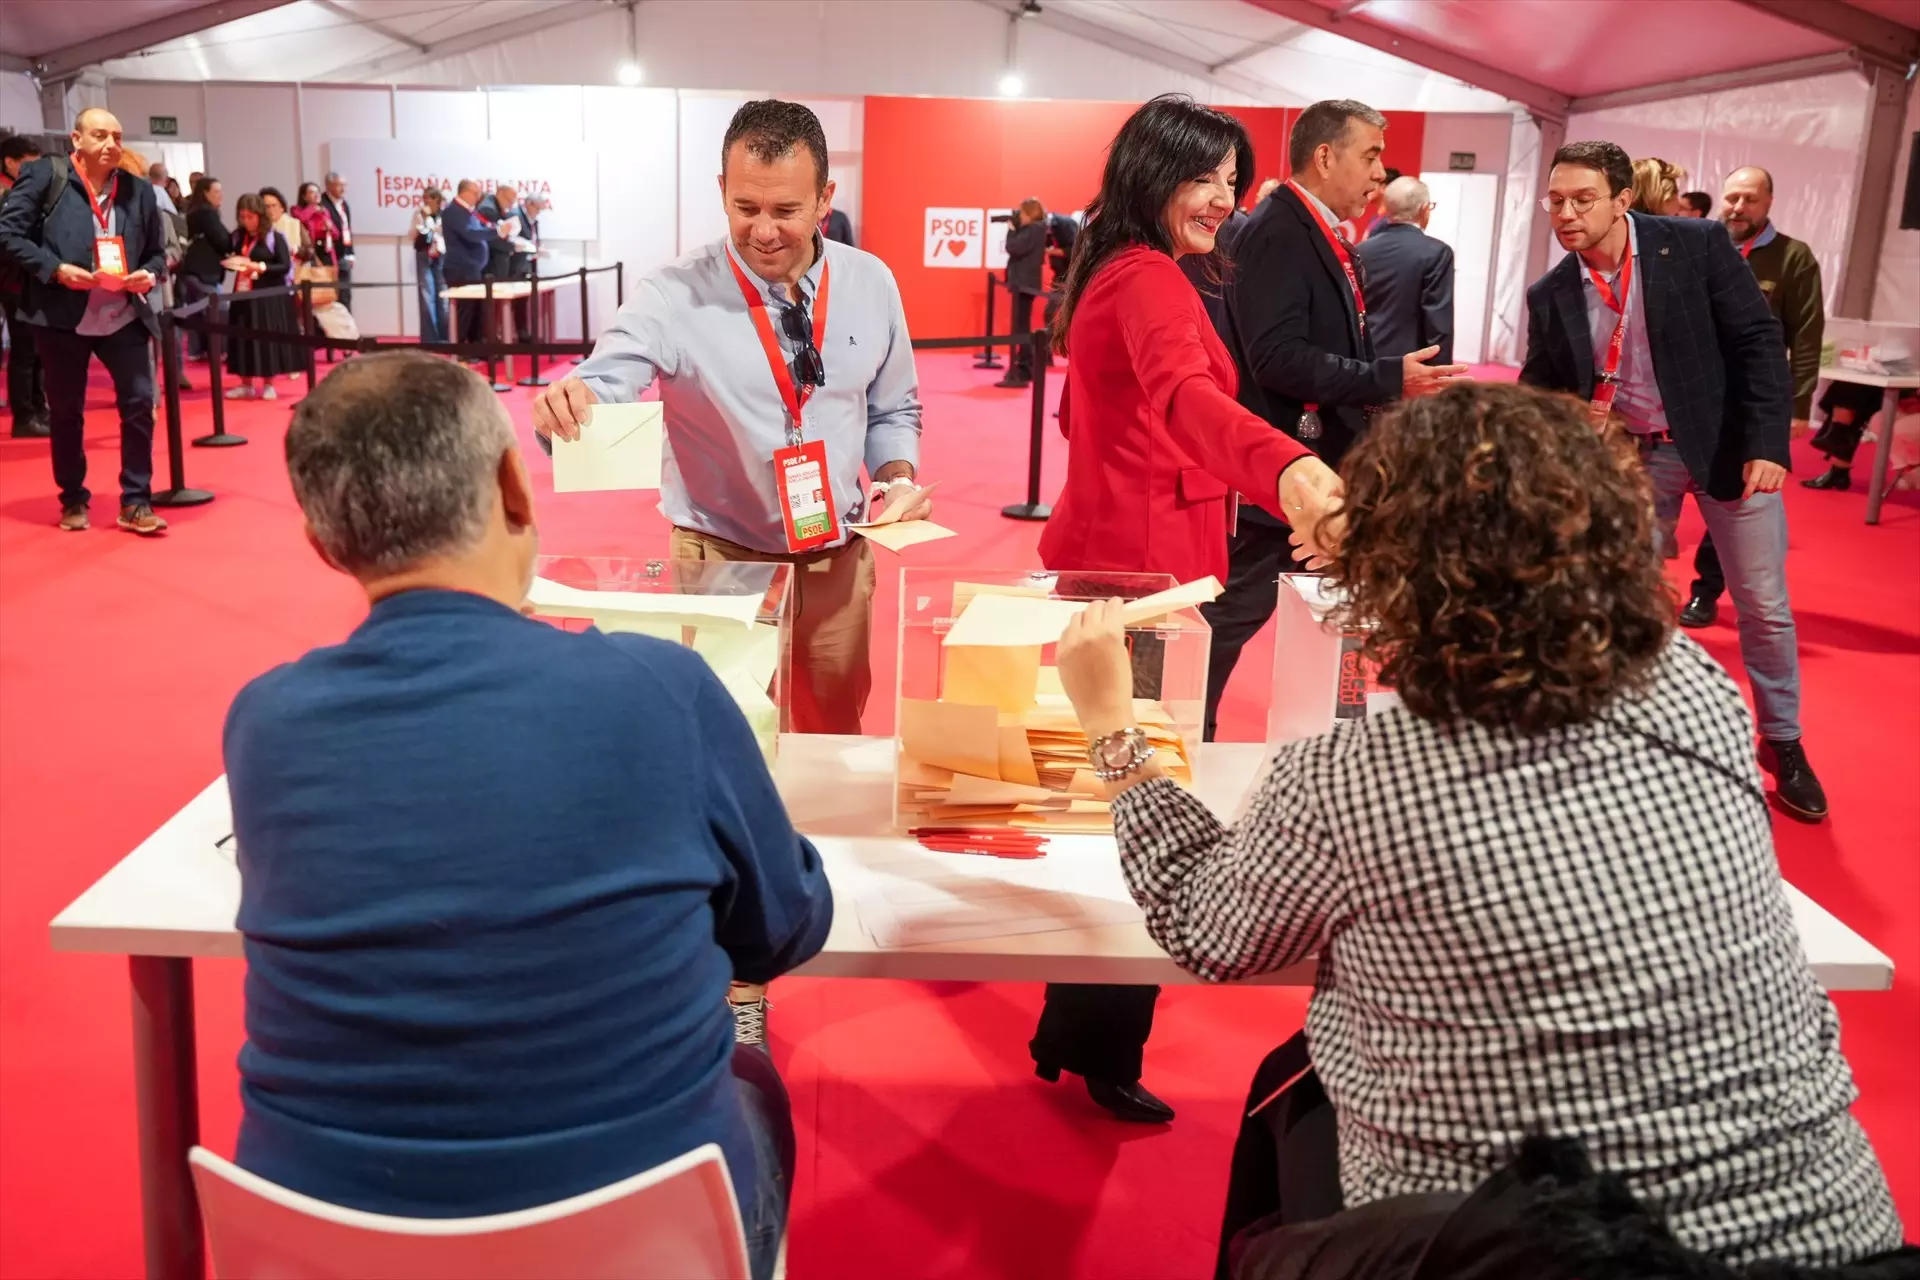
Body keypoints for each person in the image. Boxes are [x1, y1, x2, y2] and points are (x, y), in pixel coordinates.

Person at [1051, 381, 1903, 1274]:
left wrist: (1116, 728)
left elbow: (1208, 929)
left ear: (1394, 562)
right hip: (1832, 1234)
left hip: (1519, 1251)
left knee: (1292, 1104)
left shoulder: (1362, 776)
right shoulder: (1692, 687)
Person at [226, 351, 828, 1280]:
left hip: (319, 1245)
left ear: (322, 541)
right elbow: (782, 932)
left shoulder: (264, 723)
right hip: (645, 1243)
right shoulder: (655, 687)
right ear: (517, 483)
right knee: (753, 1087)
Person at [532, 100, 929, 1044]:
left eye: (786, 210)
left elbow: (894, 405)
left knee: (832, 734)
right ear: (721, 191)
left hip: (837, 550)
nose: (764, 230)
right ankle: (735, 972)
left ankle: (817, 901)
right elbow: (614, 372)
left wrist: (902, 473)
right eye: (745, 206)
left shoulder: (871, 286)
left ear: (827, 196)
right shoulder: (674, 295)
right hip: (718, 561)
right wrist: (578, 395)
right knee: (721, 753)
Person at [1029, 94, 1344, 1128]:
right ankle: (1099, 1042)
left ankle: (1073, 1035)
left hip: (1125, 569)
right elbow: (1182, 404)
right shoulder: (1152, 279)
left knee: (1112, 804)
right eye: (1202, 175)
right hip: (1147, 589)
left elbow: (1106, 418)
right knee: (1146, 814)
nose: (1222, 197)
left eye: (1231, 178)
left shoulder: (1110, 271)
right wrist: (1288, 467)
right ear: (1150, 173)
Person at [1520, 140, 1826, 821]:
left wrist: (1767, 441)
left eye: (1583, 200)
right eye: (1556, 200)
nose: (1566, 214)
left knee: (1764, 606)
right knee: (1628, 602)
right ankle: (1638, 736)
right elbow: (1541, 387)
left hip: (1722, 447)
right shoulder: (1553, 292)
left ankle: (1782, 740)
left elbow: (1757, 341)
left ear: (1621, 200)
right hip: (1632, 458)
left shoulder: (1693, 246)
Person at [1207, 99, 1465, 741]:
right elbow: (1278, 357)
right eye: (1370, 155)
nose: (1379, 174)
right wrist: (1387, 377)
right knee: (1236, 613)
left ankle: (1321, 743)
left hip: (1319, 466)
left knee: (1327, 616)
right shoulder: (1279, 230)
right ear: (1325, 157)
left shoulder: (1311, 228)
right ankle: (1177, 737)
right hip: (1289, 474)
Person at [0, 107, 168, 535]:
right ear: (77, 140)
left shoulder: (139, 191)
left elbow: (157, 253)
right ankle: (73, 498)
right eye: (100, 135)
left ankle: (136, 500)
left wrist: (149, 274)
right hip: (61, 315)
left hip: (124, 314)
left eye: (116, 135)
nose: (111, 144)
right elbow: (7, 233)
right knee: (67, 411)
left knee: (138, 405)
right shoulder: (45, 176)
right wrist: (55, 270)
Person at [1684, 164, 1828, 629]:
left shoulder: (1793, 258)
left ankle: (1707, 590)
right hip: (1690, 395)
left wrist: (1798, 405)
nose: (1738, 207)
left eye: (1749, 199)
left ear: (1769, 203)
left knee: (1732, 499)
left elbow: (1806, 336)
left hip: (1749, 403)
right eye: (1731, 197)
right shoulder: (1696, 248)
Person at [1351, 175, 1453, 364]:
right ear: (1424, 210)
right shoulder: (1436, 253)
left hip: (1364, 360)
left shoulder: (1360, 250)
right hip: (1411, 364)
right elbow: (1437, 320)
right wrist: (1440, 372)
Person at [222, 192, 300, 400]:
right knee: (242, 338)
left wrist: (261, 266)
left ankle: (268, 383)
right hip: (243, 294)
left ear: (260, 215)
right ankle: (245, 383)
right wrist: (234, 263)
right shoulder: (238, 237)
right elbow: (230, 259)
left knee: (266, 340)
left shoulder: (274, 237)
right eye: (243, 216)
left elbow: (284, 266)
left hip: (268, 297)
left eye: (251, 216)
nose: (247, 221)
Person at [0, 134, 49, 437]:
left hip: (28, 277)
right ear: (10, 163)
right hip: (12, 279)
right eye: (28, 165)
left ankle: (38, 408)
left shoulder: (19, 191)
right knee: (24, 348)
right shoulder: (6, 194)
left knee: (37, 348)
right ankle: (24, 415)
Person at [995, 197, 1048, 389]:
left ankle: (1025, 368)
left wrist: (1010, 230)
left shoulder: (1033, 230)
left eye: (1022, 213)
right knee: (1021, 326)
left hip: (1024, 284)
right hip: (1026, 283)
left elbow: (1013, 247)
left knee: (1021, 328)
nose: (1020, 216)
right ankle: (1024, 366)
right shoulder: (1037, 229)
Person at [178, 176, 231, 360]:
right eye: (216, 192)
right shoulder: (207, 214)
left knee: (195, 311)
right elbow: (222, 239)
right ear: (205, 193)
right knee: (218, 310)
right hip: (205, 271)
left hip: (191, 269)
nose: (221, 195)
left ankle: (196, 350)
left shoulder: (193, 212)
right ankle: (219, 350)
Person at [440, 178, 494, 345]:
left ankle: (475, 345)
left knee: (475, 309)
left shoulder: (468, 211)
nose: (478, 197)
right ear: (464, 192)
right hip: (460, 268)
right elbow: (471, 233)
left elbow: (479, 230)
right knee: (465, 310)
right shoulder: (453, 211)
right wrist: (497, 232)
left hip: (471, 268)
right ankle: (462, 347)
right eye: (475, 193)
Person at [410, 187, 448, 343]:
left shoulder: (445, 214)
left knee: (443, 296)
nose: (425, 201)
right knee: (427, 296)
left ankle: (446, 336)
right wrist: (426, 225)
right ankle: (429, 339)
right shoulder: (418, 214)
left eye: (429, 198)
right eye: (424, 197)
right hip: (424, 255)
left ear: (437, 200)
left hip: (442, 255)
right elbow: (412, 235)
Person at [319, 170, 353, 309]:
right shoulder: (321, 204)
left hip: (345, 255)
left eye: (344, 185)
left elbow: (348, 230)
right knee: (332, 294)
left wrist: (351, 253)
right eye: (339, 185)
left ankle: (347, 327)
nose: (343, 189)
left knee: (345, 293)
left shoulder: (344, 204)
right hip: (328, 257)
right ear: (329, 186)